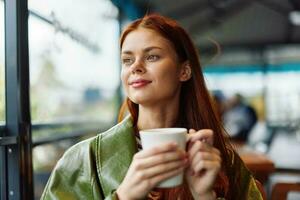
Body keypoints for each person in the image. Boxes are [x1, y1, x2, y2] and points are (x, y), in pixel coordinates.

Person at [41, 14, 264, 200]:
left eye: (152, 56)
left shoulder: (223, 161)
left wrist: (205, 196)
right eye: (127, 60)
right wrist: (123, 196)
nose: (135, 67)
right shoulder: (82, 159)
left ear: (184, 71)